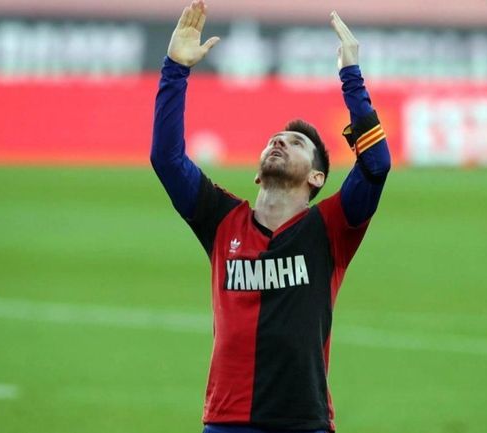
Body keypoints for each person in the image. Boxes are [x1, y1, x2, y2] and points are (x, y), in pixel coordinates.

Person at [151, 1, 391, 432]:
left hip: (303, 421)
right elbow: (166, 159)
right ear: (259, 172)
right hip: (228, 420)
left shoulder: (331, 228)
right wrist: (174, 69)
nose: (280, 142)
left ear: (317, 177)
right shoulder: (221, 220)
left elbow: (376, 164)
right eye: (274, 140)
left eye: (296, 143)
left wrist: (351, 76)